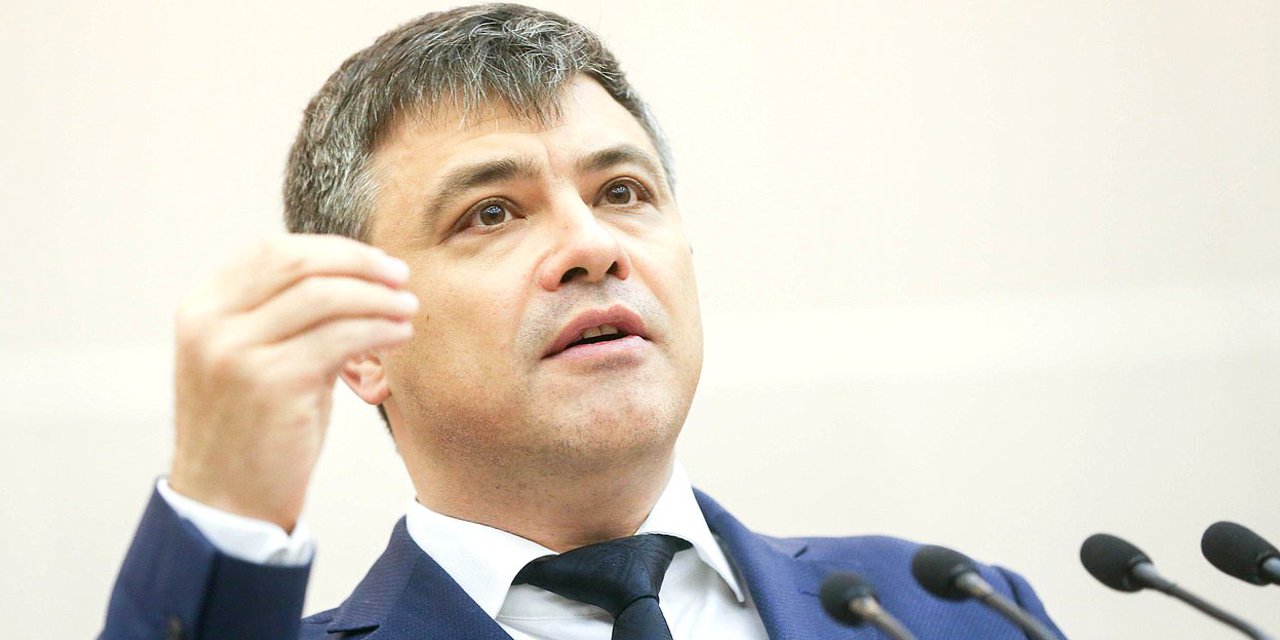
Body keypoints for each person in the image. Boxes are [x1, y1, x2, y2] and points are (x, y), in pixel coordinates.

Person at [100, 4, 1063, 639]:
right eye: (491, 213)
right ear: (361, 346)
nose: (592, 246)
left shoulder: (951, 612)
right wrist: (223, 512)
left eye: (623, 191)